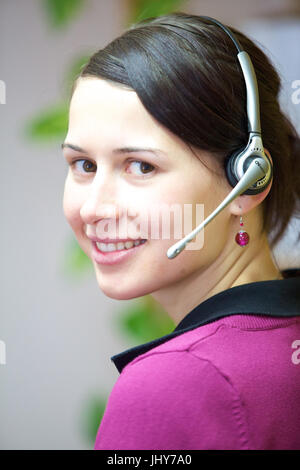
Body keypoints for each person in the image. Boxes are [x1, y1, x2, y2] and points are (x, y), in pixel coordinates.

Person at [61, 12, 300, 450]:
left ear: (248, 181)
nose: (93, 208)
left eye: (141, 166)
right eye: (84, 165)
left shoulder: (171, 385)